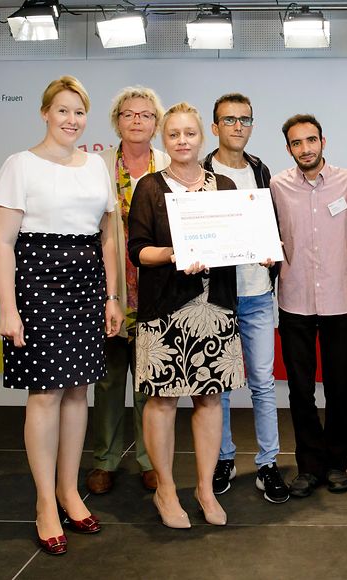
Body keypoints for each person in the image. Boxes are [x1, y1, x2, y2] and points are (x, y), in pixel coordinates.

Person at [0, 75, 124, 555]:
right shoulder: (19, 165)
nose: (72, 120)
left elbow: (107, 237)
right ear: (45, 112)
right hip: (37, 280)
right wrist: (9, 308)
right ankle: (46, 501)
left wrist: (111, 297)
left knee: (78, 391)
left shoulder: (96, 167)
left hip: (87, 280)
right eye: (63, 110)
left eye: (79, 112)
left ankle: (70, 491)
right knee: (45, 394)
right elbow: (3, 244)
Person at [128, 102, 244, 529]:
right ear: (163, 138)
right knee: (162, 400)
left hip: (215, 308)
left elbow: (240, 240)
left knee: (210, 399)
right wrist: (173, 255)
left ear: (203, 137)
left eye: (189, 134)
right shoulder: (149, 188)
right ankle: (165, 489)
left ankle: (205, 490)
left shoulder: (227, 186)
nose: (182, 141)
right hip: (164, 310)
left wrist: (258, 248)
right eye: (174, 134)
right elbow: (137, 249)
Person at [201, 93, 288, 504]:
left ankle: (268, 463)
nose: (237, 126)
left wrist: (273, 250)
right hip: (216, 296)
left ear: (252, 125)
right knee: (219, 384)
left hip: (256, 292)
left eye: (244, 119)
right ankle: (224, 458)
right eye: (228, 120)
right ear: (214, 126)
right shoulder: (198, 172)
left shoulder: (260, 169)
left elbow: (268, 224)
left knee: (263, 384)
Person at [270, 114, 347, 498]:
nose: (305, 149)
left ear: (323, 140)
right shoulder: (277, 186)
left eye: (311, 140)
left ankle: (337, 464)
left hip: (341, 300)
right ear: (288, 148)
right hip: (295, 300)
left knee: (339, 388)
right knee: (300, 391)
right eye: (296, 143)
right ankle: (308, 466)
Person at [87, 86, 169, 495]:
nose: (137, 121)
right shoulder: (95, 165)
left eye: (146, 114)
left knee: (149, 381)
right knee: (107, 380)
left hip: (155, 290)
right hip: (109, 286)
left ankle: (149, 459)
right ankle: (105, 459)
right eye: (129, 114)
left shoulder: (170, 164)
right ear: (116, 121)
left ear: (157, 122)